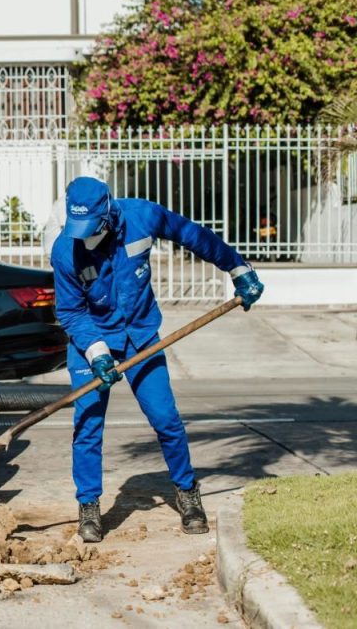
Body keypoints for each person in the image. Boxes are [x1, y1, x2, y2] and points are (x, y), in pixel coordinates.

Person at [50, 177, 264, 542]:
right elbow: (71, 313)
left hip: (141, 338)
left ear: (107, 216)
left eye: (89, 228)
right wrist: (97, 352)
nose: (82, 236)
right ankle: (89, 505)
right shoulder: (64, 251)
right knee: (87, 425)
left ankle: (187, 493)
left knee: (166, 419)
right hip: (93, 343)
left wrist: (237, 268)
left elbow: (192, 235)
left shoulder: (142, 217)